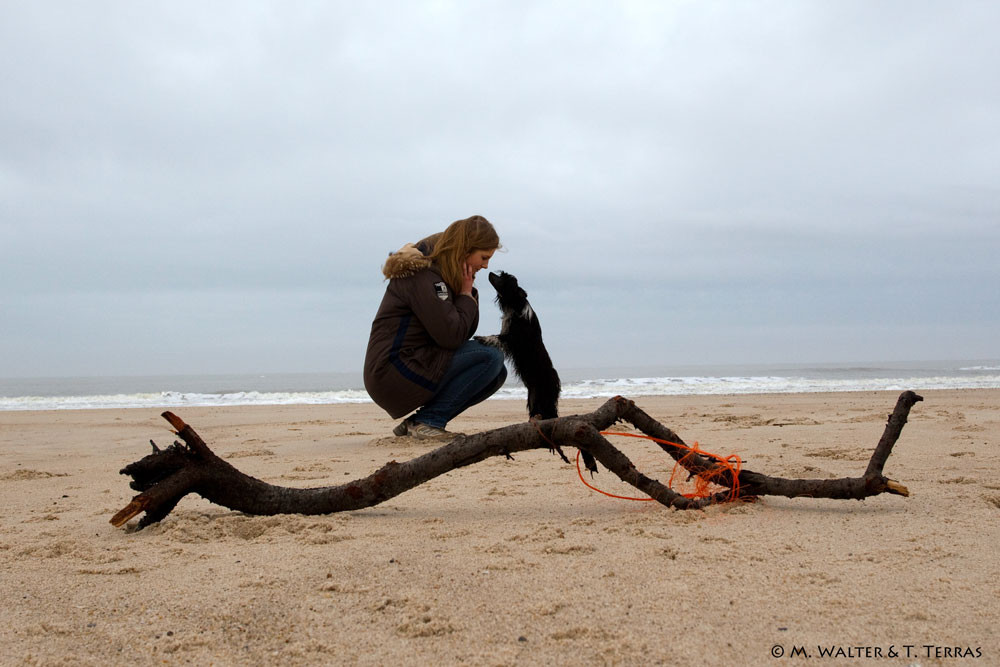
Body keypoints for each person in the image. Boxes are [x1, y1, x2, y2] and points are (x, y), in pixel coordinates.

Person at [363, 215, 507, 438]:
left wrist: (465, 293)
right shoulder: (424, 275)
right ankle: (429, 421)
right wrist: (466, 295)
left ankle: (420, 422)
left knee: (496, 372)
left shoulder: (441, 275)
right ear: (465, 249)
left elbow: (461, 331)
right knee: (490, 357)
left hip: (412, 364)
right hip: (393, 371)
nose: (486, 265)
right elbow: (451, 337)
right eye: (484, 257)